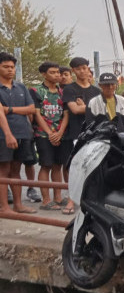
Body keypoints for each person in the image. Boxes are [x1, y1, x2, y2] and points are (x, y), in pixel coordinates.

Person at [61, 56, 101, 215]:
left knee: (94, 166)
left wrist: (84, 106)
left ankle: (93, 199)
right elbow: (75, 110)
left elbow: (104, 111)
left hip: (96, 133)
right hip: (78, 133)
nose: (82, 71)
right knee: (76, 166)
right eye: (78, 69)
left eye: (84, 68)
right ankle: (72, 199)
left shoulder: (97, 91)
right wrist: (90, 108)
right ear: (73, 71)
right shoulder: (70, 89)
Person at [0, 52, 37, 214]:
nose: (10, 70)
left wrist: (9, 109)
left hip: (23, 134)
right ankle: (5, 207)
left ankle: (18, 205)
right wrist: (8, 134)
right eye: (5, 67)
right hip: (3, 135)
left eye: (12, 67)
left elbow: (31, 108)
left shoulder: (21, 87)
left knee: (16, 170)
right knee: (3, 170)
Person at [31, 62, 70, 210]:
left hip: (61, 134)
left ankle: (58, 198)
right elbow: (37, 114)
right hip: (43, 134)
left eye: (58, 72)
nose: (57, 75)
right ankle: (46, 200)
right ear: (44, 74)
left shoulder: (63, 92)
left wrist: (59, 133)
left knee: (58, 166)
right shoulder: (36, 90)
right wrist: (49, 133)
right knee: (45, 165)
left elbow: (66, 114)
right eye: (52, 72)